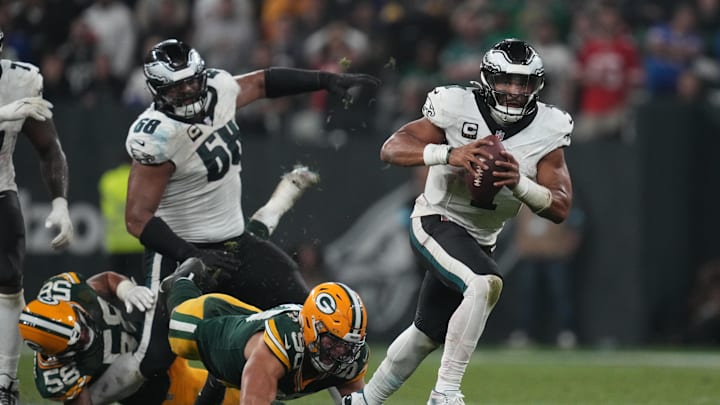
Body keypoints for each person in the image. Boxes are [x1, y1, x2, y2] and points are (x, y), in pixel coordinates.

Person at [122, 38, 379, 400]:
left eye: (191, 81)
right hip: (180, 253)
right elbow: (136, 219)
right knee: (152, 359)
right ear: (157, 90)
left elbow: (262, 83)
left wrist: (323, 80)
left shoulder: (218, 88)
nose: (188, 91)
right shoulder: (157, 134)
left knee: (312, 319)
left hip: (235, 242)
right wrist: (189, 255)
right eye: (176, 87)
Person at [344, 38, 574, 405]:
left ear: (537, 86)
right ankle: (445, 392)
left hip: (481, 238)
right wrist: (450, 154)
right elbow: (391, 148)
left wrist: (518, 182)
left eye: (524, 83)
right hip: (436, 219)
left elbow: (559, 207)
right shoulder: (456, 105)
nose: (515, 91)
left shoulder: (549, 126)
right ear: (486, 79)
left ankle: (363, 401)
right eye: (507, 81)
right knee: (484, 283)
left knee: (425, 335)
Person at [161, 258, 369, 403]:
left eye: (347, 346)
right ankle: (185, 279)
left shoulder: (350, 359)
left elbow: (356, 403)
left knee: (243, 381)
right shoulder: (281, 346)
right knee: (179, 334)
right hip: (212, 325)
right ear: (311, 328)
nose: (339, 353)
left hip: (250, 333)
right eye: (331, 342)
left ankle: (218, 379)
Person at [17, 270, 242, 405]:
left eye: (81, 324)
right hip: (151, 388)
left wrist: (126, 290)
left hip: (144, 335)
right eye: (79, 341)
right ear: (58, 354)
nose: (87, 336)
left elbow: (106, 280)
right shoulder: (57, 377)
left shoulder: (65, 290)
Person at [0, 30, 74, 404]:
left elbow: (49, 147)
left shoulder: (21, 79)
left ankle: (5, 383)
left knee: (9, 282)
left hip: (0, 188)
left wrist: (60, 202)